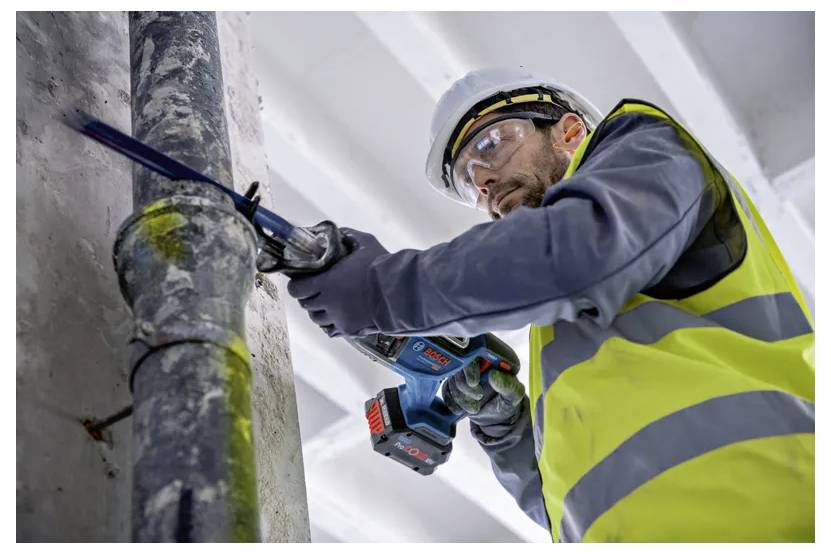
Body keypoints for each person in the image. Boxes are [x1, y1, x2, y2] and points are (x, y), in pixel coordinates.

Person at [286, 67, 815, 542]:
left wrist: (384, 287)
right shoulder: (562, 339)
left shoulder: (645, 149)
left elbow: (578, 255)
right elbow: (564, 507)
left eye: (492, 144)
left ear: (569, 132)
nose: (484, 180)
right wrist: (509, 428)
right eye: (470, 178)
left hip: (774, 510)